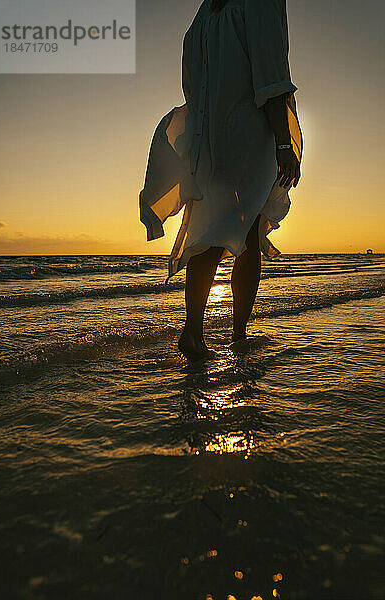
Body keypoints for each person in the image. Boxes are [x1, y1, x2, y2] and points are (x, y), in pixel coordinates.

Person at [140, 0, 303, 361]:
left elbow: (192, 82)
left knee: (211, 227)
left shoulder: (204, 16)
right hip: (249, 131)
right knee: (244, 229)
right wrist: (282, 141)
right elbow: (271, 75)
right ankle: (238, 335)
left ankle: (194, 331)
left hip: (208, 135)